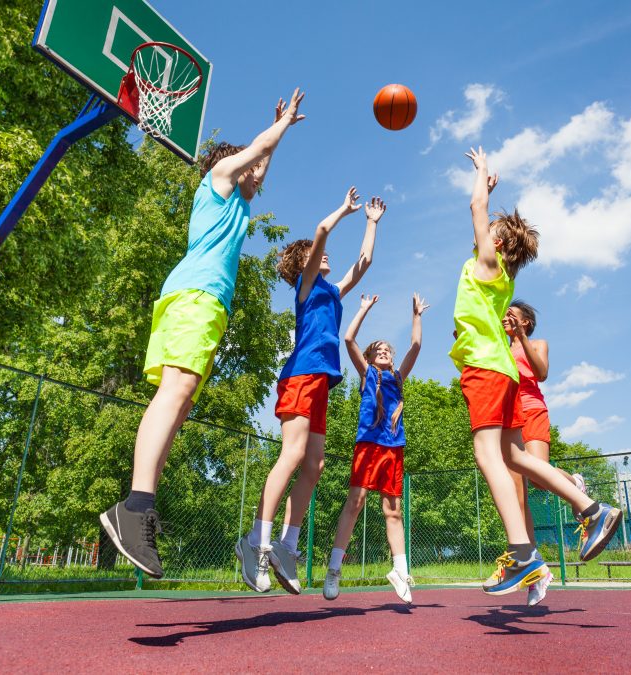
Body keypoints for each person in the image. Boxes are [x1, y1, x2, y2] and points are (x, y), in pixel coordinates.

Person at [100, 90, 306, 579]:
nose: (259, 175)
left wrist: (273, 142)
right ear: (231, 166)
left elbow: (259, 163)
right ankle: (135, 505)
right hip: (194, 296)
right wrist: (280, 127)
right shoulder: (216, 181)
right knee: (175, 392)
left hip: (205, 304)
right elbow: (252, 155)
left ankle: (139, 505)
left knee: (182, 398)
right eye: (252, 168)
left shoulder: (238, 204)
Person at [449, 146, 622, 598]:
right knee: (513, 457)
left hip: (486, 368)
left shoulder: (487, 266)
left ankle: (522, 554)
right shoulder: (502, 277)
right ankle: (590, 508)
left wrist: (482, 176)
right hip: (502, 371)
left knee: (489, 456)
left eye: (489, 232)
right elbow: (481, 215)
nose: (481, 231)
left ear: (498, 245)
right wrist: (488, 194)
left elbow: (474, 208)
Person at [237, 190, 386, 593]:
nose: (325, 256)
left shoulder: (332, 293)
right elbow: (321, 229)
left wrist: (371, 222)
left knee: (314, 465)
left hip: (321, 381)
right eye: (316, 254)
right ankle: (255, 540)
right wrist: (345, 209)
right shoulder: (306, 287)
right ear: (303, 263)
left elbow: (364, 263)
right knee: (293, 454)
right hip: (301, 375)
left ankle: (287, 544)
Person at [323, 292, 429, 604]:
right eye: (379, 350)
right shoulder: (368, 374)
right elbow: (348, 338)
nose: (384, 352)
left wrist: (416, 316)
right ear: (370, 359)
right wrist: (364, 308)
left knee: (393, 510)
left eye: (388, 350)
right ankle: (333, 570)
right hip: (369, 445)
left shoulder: (397, 377)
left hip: (393, 447)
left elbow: (417, 346)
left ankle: (400, 570)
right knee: (355, 503)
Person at [502, 300, 589, 605]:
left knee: (538, 474)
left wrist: (520, 339)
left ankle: (573, 482)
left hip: (532, 410)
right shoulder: (500, 347)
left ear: (525, 322)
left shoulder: (537, 342)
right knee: (517, 496)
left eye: (511, 316)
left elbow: (541, 373)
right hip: (507, 418)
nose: (505, 319)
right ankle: (535, 567)